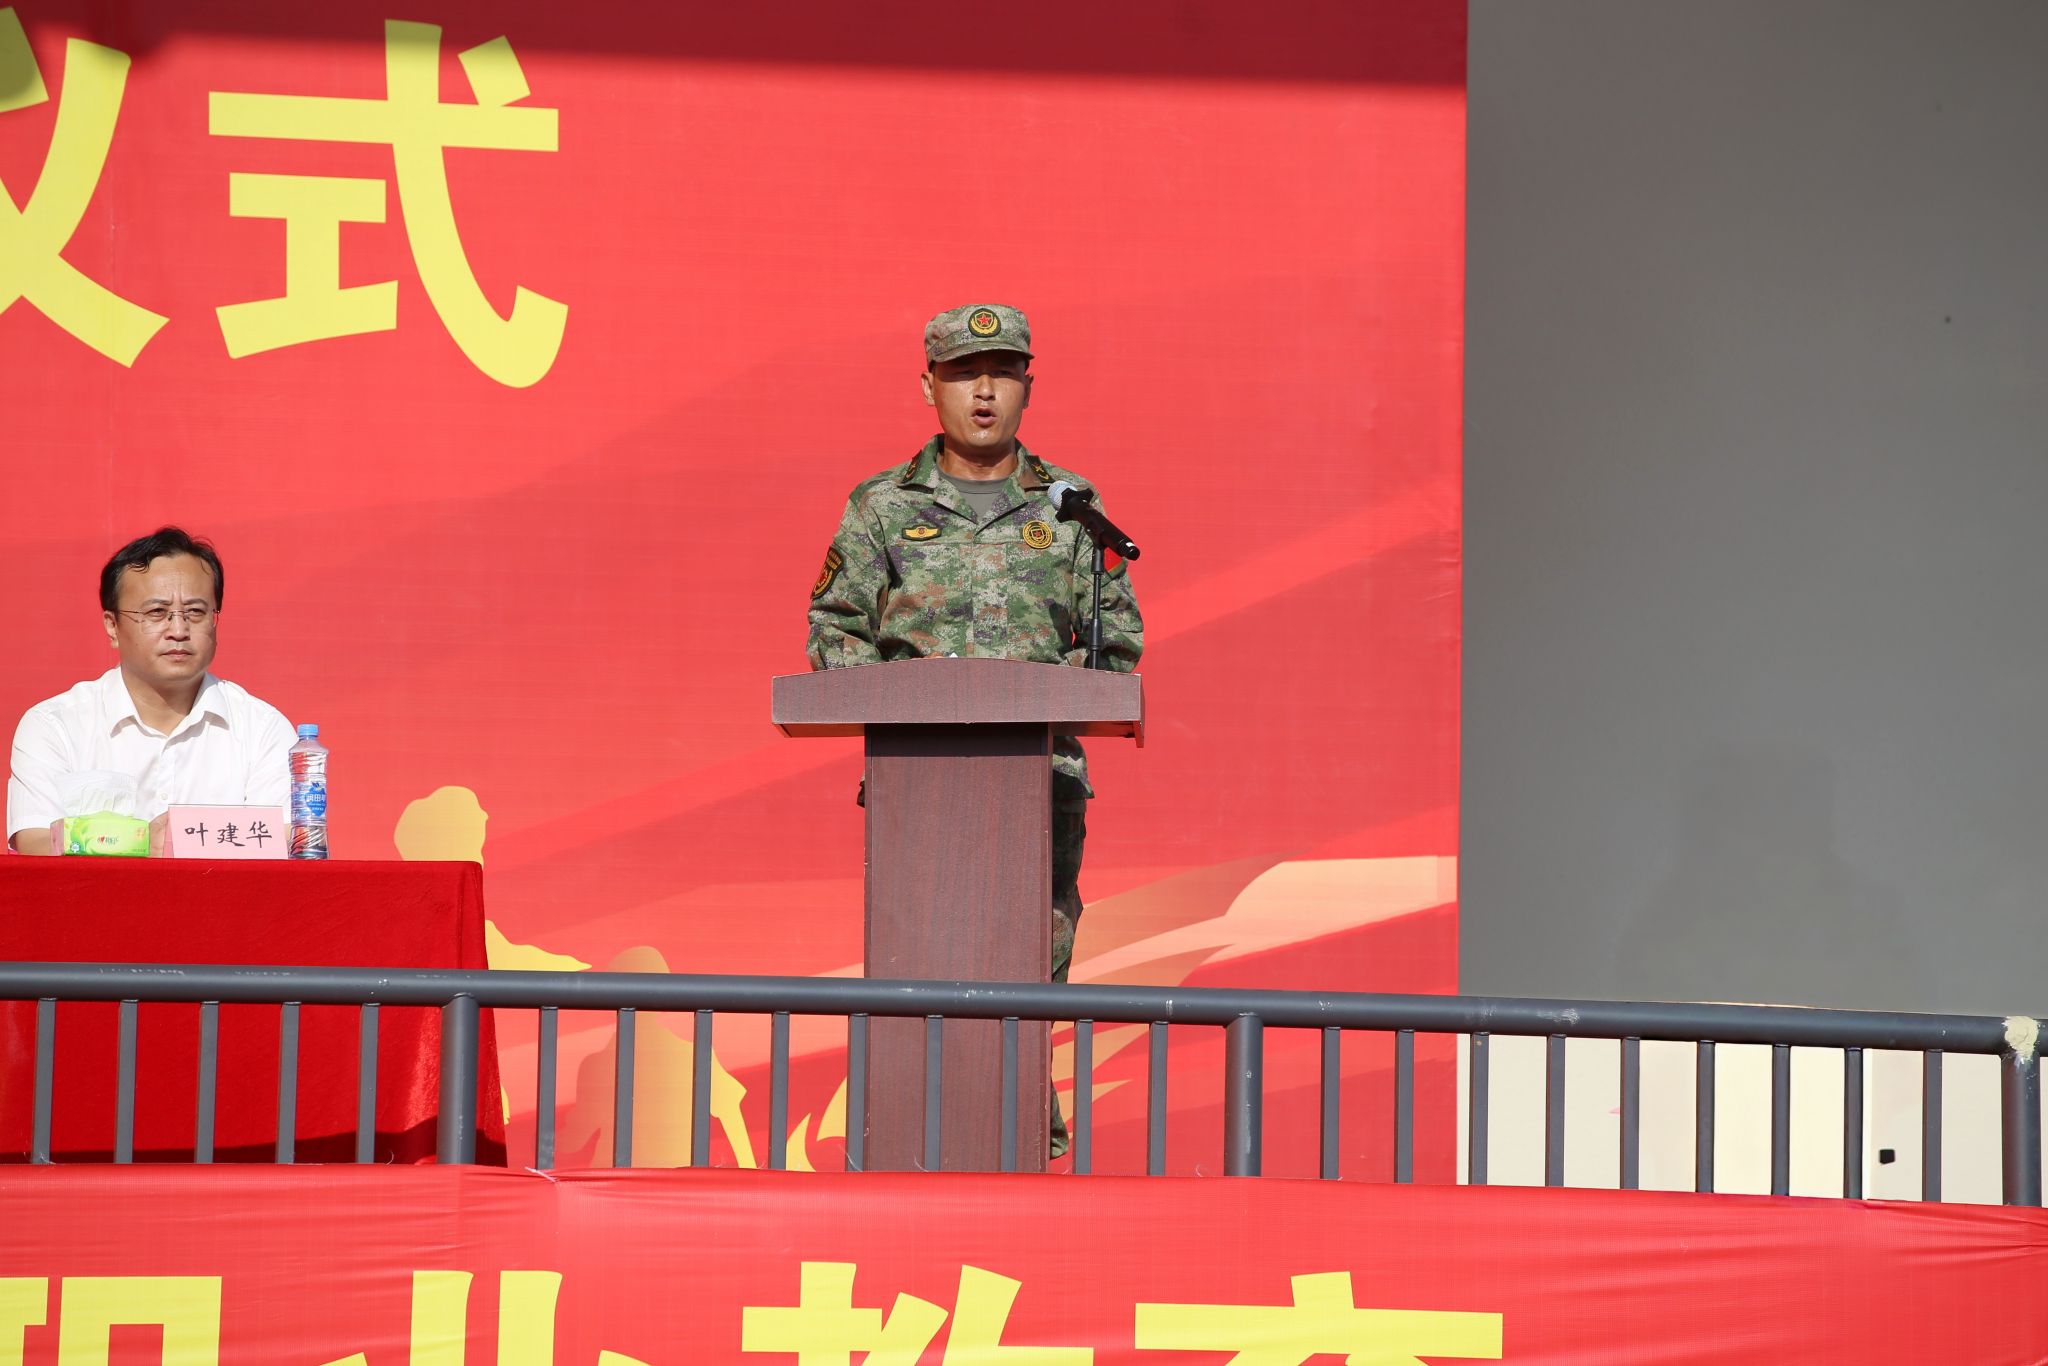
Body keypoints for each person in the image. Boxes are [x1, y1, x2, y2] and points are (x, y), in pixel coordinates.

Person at [807, 303, 1143, 1150]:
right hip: (917, 787)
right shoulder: (883, 505)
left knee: (1032, 968)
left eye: (1001, 373)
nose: (983, 392)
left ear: (1028, 386)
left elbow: (1114, 642)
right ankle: (908, 1139)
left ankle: (1019, 1140)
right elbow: (834, 629)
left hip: (1037, 785)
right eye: (962, 375)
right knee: (920, 967)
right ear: (929, 388)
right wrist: (902, 705)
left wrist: (1046, 697)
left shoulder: (1072, 507)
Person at [6, 527, 296, 855]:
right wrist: (143, 842)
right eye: (156, 612)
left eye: (196, 612)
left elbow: (284, 840)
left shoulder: (262, 729)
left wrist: (176, 839)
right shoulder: (55, 725)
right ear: (112, 626)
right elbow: (35, 842)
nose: (178, 630)